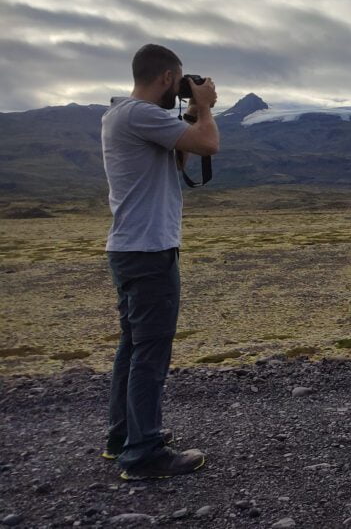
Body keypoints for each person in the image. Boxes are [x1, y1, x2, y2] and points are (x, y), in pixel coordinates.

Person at [100, 43, 219, 480]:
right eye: (181, 79)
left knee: (133, 346)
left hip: (132, 248)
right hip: (149, 251)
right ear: (168, 77)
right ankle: (144, 453)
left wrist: (188, 114)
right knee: (150, 352)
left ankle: (123, 437)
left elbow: (181, 153)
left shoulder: (123, 115)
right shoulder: (139, 114)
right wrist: (204, 108)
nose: (184, 87)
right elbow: (209, 144)